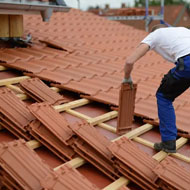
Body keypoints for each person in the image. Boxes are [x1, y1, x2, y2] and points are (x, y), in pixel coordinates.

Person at [123, 24, 190, 153]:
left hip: (188, 63)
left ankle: (168, 142)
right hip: (186, 64)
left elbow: (129, 61)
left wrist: (127, 78)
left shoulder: (155, 35)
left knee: (164, 97)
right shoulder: (182, 30)